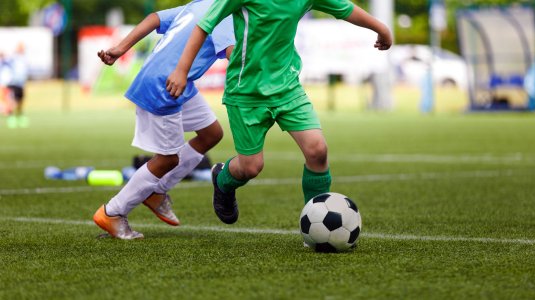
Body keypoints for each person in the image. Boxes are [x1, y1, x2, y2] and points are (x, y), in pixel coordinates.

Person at [166, 0, 392, 224]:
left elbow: (345, 10)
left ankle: (312, 222)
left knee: (317, 150)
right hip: (246, 93)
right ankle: (223, 180)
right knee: (251, 166)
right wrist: (181, 70)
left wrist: (381, 28)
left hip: (288, 89)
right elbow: (204, 25)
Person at [92, 0, 235, 239]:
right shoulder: (228, 15)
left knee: (211, 134)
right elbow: (236, 56)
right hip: (165, 84)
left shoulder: (201, 4)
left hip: (178, 81)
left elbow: (154, 18)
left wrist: (120, 48)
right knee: (168, 159)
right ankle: (113, 212)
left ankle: (156, 191)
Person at [5, 43, 29, 128]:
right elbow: (5, 59)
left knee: (20, 101)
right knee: (12, 100)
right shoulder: (13, 57)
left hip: (21, 83)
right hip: (13, 82)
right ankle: (11, 117)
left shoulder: (24, 59)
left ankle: (19, 116)